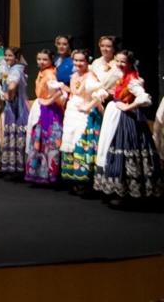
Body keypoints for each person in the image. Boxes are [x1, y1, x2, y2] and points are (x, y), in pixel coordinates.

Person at [93, 50, 161, 204]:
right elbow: (119, 92)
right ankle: (117, 190)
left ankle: (128, 193)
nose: (119, 64)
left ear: (130, 63)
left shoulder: (133, 79)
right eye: (118, 61)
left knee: (126, 151)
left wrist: (128, 107)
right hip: (115, 117)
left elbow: (145, 98)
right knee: (112, 149)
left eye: (123, 62)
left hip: (127, 120)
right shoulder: (121, 77)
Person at [61, 50, 105, 191]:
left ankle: (85, 180)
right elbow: (75, 92)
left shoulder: (90, 76)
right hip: (72, 113)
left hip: (85, 115)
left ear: (87, 62)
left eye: (81, 61)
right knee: (71, 144)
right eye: (76, 60)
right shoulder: (74, 76)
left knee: (82, 144)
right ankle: (73, 178)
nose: (78, 63)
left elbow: (100, 93)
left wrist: (88, 106)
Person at [25, 50, 65, 187]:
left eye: (44, 59)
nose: (41, 62)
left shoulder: (50, 73)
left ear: (51, 60)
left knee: (49, 141)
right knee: (39, 140)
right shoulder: (42, 72)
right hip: (41, 106)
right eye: (39, 59)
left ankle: (49, 174)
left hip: (50, 110)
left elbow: (60, 91)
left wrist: (48, 101)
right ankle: (39, 173)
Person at [0, 47, 30, 178]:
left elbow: (13, 84)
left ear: (16, 58)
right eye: (6, 55)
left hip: (17, 107)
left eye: (10, 56)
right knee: (13, 135)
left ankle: (18, 168)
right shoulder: (8, 68)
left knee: (17, 135)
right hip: (11, 106)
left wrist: (9, 94)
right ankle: (12, 167)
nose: (7, 58)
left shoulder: (17, 69)